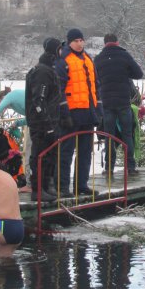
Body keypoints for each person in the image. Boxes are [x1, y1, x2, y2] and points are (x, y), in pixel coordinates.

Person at [56, 28, 102, 196]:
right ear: (70, 42)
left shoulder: (88, 59)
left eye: (81, 40)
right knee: (66, 152)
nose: (80, 43)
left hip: (88, 113)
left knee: (85, 152)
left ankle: (81, 185)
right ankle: (62, 187)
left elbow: (96, 85)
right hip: (71, 113)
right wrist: (64, 112)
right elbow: (59, 89)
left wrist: (99, 109)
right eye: (76, 40)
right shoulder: (63, 60)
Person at [94, 33, 144, 175]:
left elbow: (93, 79)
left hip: (107, 102)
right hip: (123, 101)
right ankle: (130, 167)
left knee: (109, 135)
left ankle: (109, 168)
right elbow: (139, 74)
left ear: (104, 43)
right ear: (117, 42)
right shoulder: (124, 55)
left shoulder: (98, 59)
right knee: (127, 134)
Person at [26, 38, 64, 202]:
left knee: (50, 154)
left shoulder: (50, 69)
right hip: (41, 123)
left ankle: (47, 186)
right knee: (40, 154)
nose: (62, 52)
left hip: (51, 121)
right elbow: (38, 100)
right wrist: (47, 124)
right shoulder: (42, 71)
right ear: (54, 50)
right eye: (60, 49)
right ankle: (38, 189)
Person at [0, 87, 30, 191]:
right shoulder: (17, 95)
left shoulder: (9, 96)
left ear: (1, 98)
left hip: (38, 123)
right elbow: (31, 116)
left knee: (30, 153)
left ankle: (30, 184)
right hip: (41, 118)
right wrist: (18, 123)